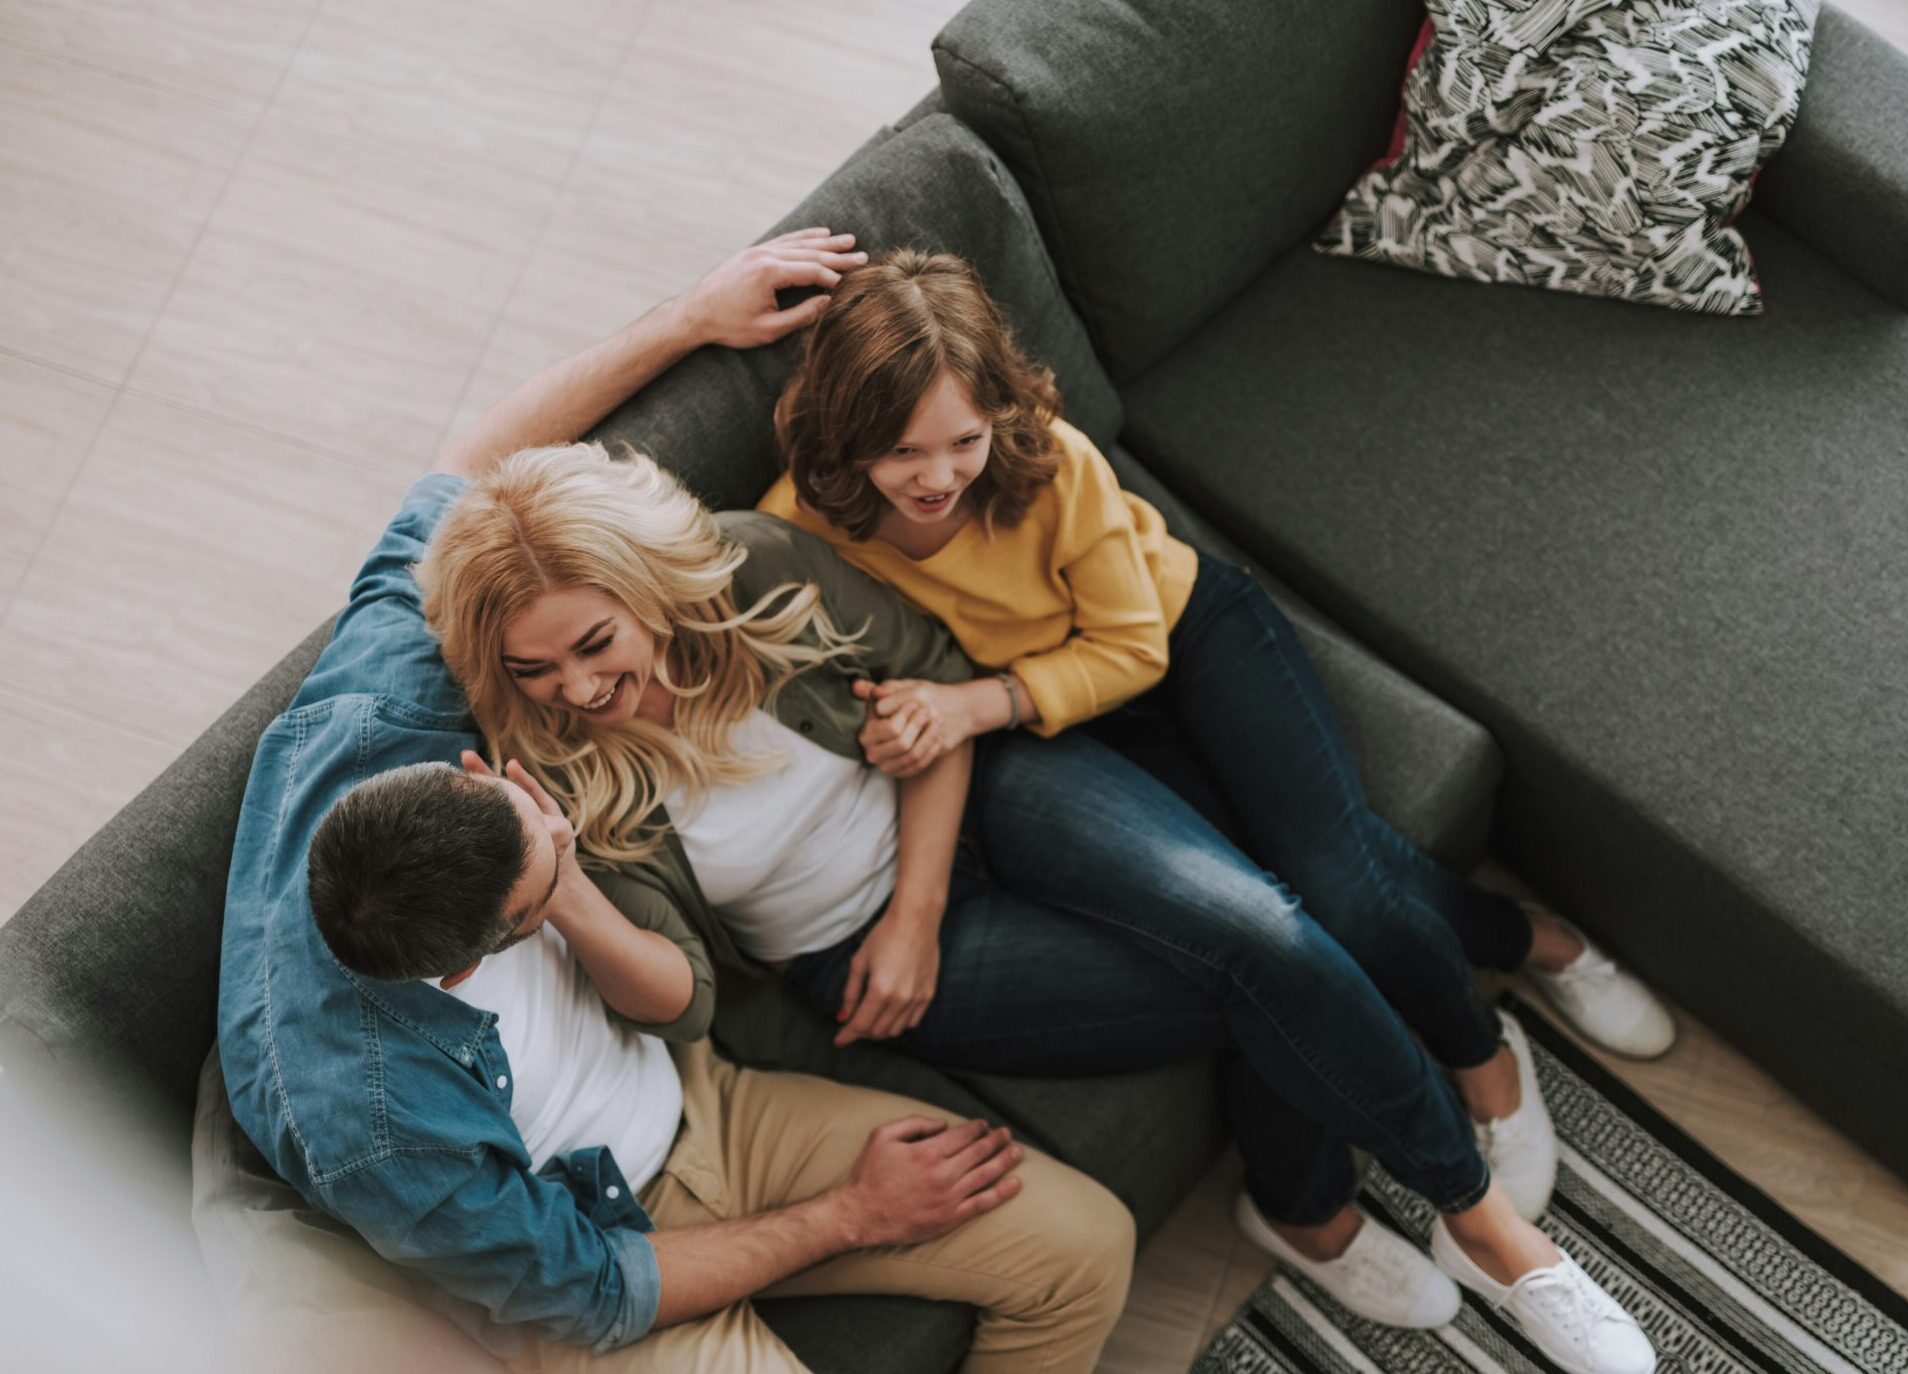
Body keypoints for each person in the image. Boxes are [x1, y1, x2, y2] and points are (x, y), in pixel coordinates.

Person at [420, 287, 1657, 1374]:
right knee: (1255, 982)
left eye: (598, 644)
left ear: (649, 592)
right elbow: (683, 995)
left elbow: (935, 674)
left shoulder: (749, 567)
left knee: (1265, 927)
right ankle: (1311, 1216)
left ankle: (1487, 1227)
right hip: (861, 958)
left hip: (980, 796)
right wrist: (872, 934)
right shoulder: (559, 779)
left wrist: (916, 899)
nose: (580, 688)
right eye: (536, 671)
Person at [216, 229, 1137, 1374]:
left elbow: (463, 476)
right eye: (544, 871)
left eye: (523, 805)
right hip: (594, 1238)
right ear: (473, 961)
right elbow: (594, 1293)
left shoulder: (382, 712)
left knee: (1085, 1245)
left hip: (700, 1103)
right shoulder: (374, 1128)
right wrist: (852, 1215)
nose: (560, 769)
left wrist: (687, 319)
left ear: (453, 773)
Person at [756, 249, 1678, 1374]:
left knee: (1346, 884)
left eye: (962, 439)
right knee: (1271, 919)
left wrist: (971, 700)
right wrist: (928, 724)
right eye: (901, 452)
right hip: (1039, 738)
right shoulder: (798, 530)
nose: (936, 476)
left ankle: (1494, 1038)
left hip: (1173, 642)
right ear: (847, 439)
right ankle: (1486, 1012)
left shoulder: (1048, 465)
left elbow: (1128, 645)